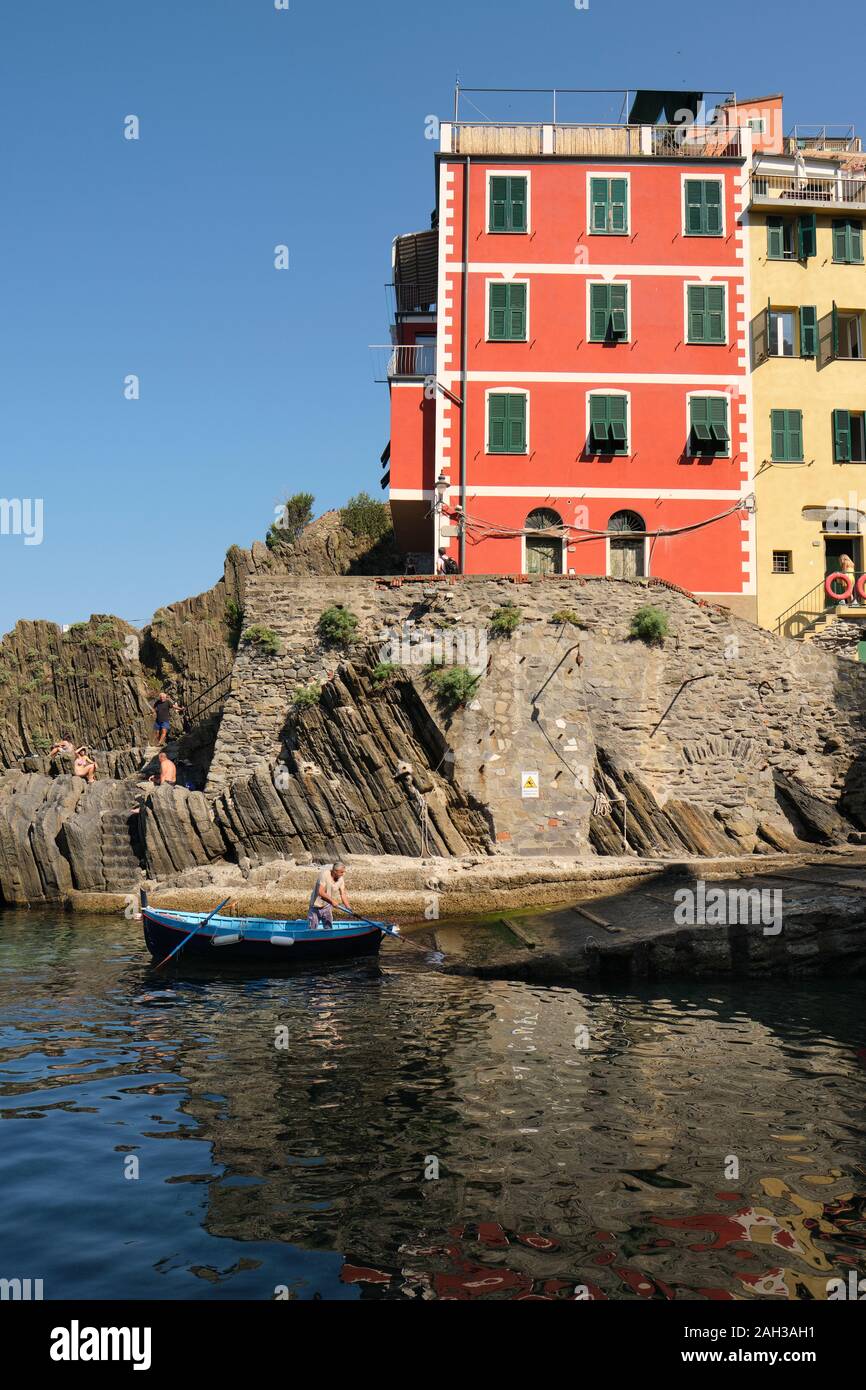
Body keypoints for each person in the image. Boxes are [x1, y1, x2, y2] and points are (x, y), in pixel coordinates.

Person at [308, 862, 350, 930]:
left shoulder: (341, 879)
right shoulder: (324, 874)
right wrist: (332, 901)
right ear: (335, 871)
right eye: (341, 872)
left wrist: (348, 907)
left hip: (327, 906)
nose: (343, 874)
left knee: (328, 928)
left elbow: (343, 894)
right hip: (315, 906)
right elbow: (320, 892)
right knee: (312, 928)